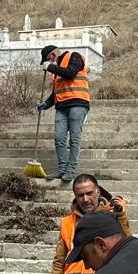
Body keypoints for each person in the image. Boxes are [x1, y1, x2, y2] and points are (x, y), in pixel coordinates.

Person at [36, 45, 90, 181]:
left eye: (49, 59)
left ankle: (70, 171)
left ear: (53, 54)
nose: (50, 62)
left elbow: (70, 73)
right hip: (61, 107)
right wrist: (46, 104)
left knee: (74, 139)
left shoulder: (74, 57)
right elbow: (57, 92)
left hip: (78, 104)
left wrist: (50, 67)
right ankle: (62, 170)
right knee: (59, 138)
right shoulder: (56, 72)